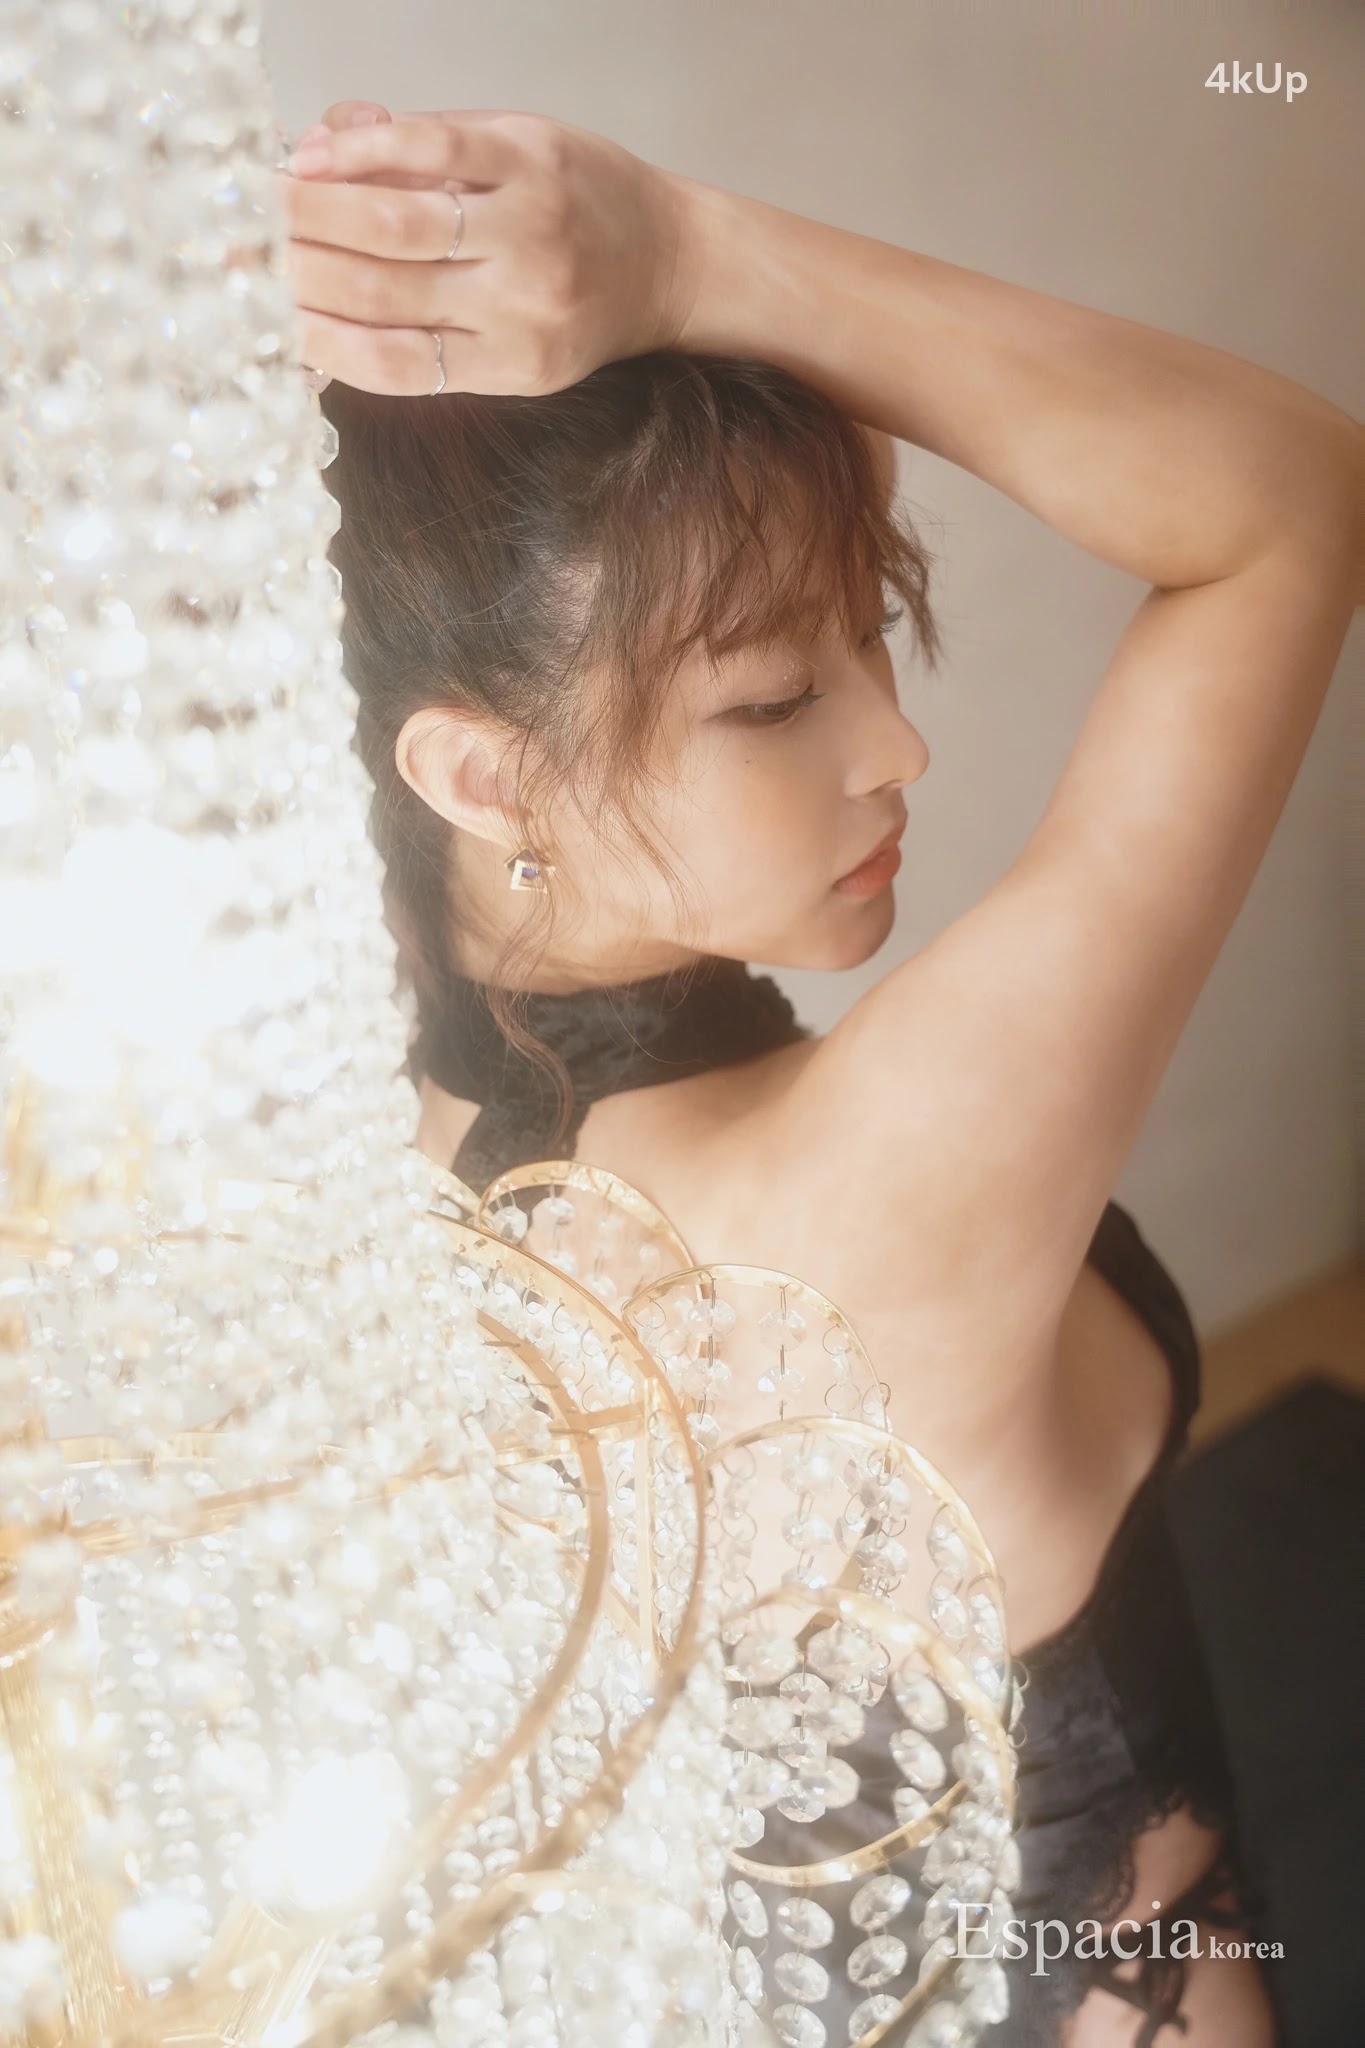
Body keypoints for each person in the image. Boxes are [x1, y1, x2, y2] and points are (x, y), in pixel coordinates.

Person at [280, 97, 1362, 2045]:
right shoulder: (877, 1185)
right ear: (481, 774)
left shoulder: (358, 1129)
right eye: (774, 697)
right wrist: (694, 255)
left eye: (870, 636)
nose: (894, 747)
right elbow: (1288, 498)